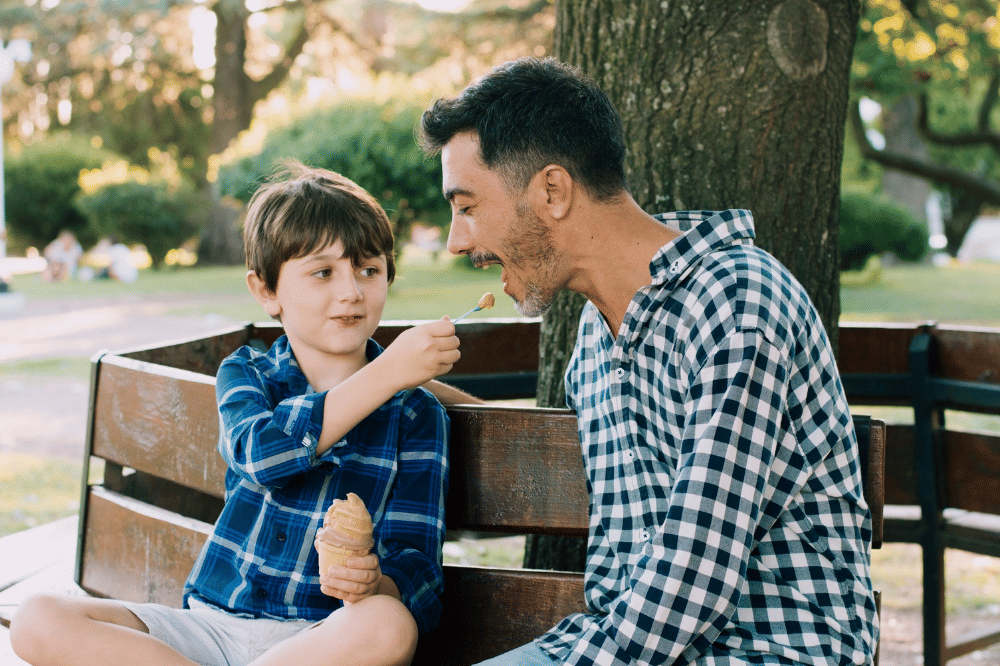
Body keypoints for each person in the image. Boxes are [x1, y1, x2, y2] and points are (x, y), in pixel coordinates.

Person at [419, 57, 877, 665]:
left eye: (468, 205)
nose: (456, 240)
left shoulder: (736, 301)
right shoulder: (595, 336)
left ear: (552, 192)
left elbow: (697, 574)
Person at [11, 162, 462, 666]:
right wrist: (386, 374)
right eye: (322, 272)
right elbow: (264, 456)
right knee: (38, 618)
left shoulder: (418, 416)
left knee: (389, 626)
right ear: (266, 291)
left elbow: (420, 571)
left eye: (368, 269)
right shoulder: (248, 375)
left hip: (320, 640)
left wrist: (374, 581)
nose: (351, 291)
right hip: (209, 626)